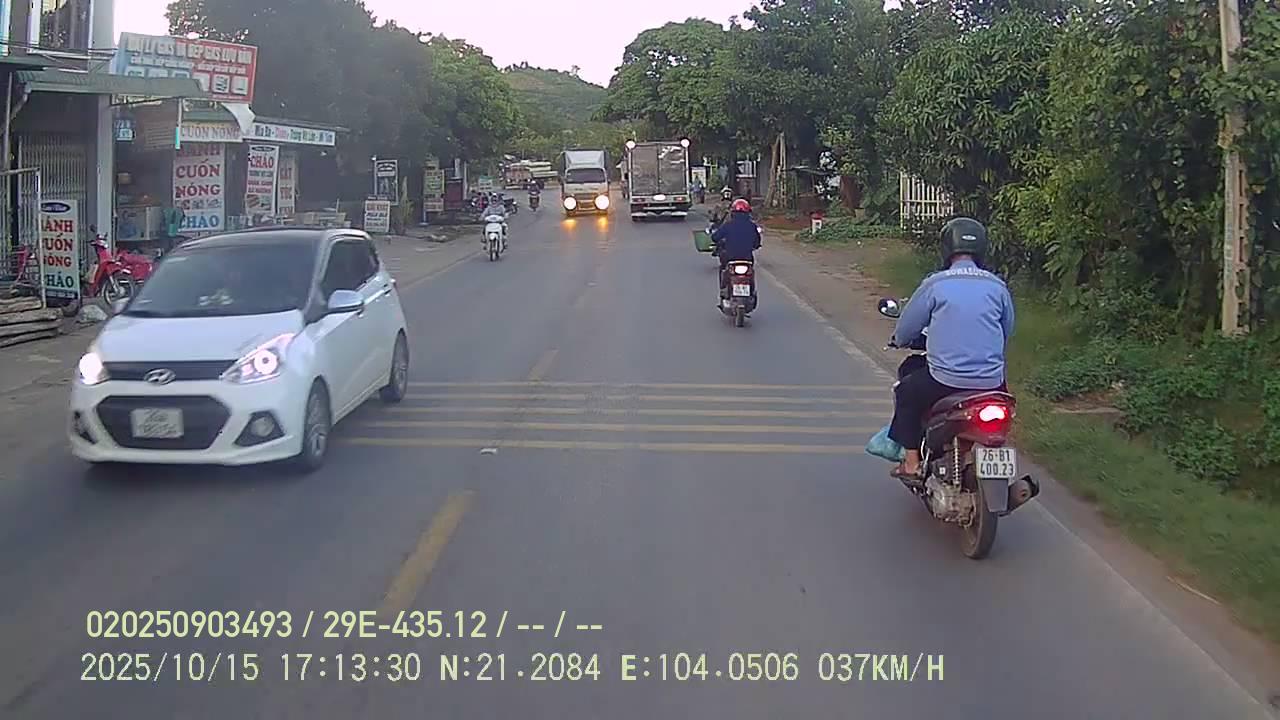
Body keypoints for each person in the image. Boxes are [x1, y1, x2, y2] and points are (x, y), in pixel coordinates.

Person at [887, 217, 1015, 479]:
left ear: (946, 248)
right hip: (992, 383)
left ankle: (911, 462)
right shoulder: (997, 286)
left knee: (906, 393)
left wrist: (899, 340)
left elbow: (906, 329)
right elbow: (1007, 329)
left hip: (945, 380)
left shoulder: (936, 284)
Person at [710, 198, 762, 299]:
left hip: (730, 257)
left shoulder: (728, 225)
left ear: (733, 212)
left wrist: (720, 243)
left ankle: (723, 288)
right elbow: (757, 242)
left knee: (723, 268)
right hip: (747, 258)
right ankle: (751, 291)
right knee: (750, 271)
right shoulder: (752, 226)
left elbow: (715, 237)